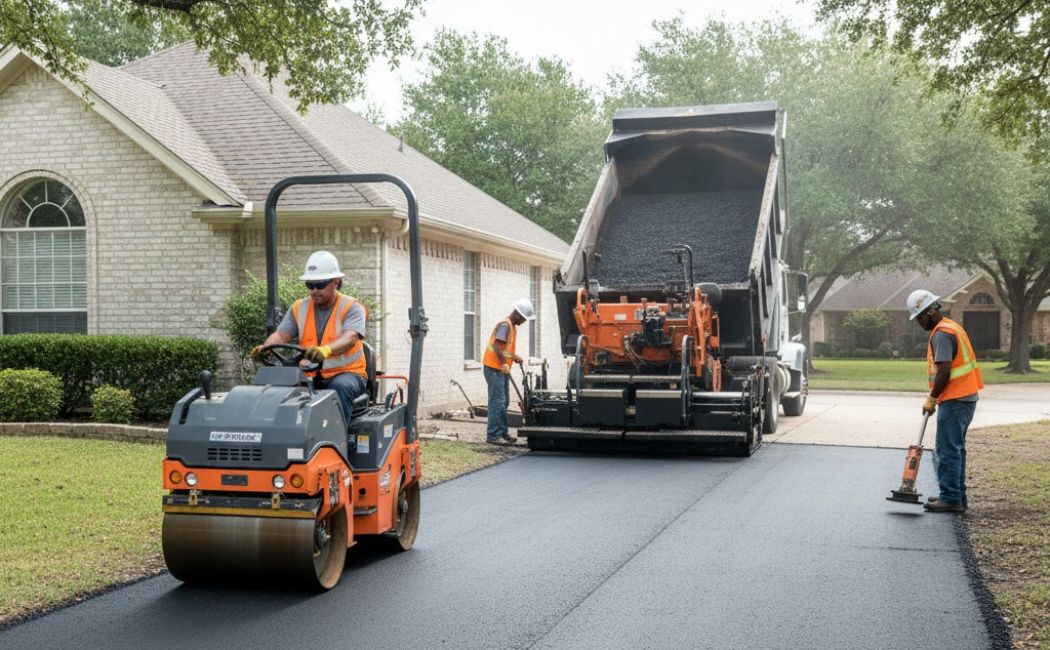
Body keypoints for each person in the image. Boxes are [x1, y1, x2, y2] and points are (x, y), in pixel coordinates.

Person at [252, 250, 368, 427]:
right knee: (273, 387)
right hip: (309, 374)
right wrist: (265, 348)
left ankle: (337, 442)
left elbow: (350, 337)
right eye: (310, 284)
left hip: (347, 374)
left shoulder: (352, 307)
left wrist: (326, 350)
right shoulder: (299, 307)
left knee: (339, 390)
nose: (314, 290)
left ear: (335, 282)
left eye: (320, 284)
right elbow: (282, 334)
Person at [907, 289, 984, 513]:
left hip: (956, 399)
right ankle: (956, 496)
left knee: (948, 449)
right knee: (956, 448)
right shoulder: (951, 326)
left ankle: (950, 498)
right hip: (965, 397)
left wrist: (932, 397)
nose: (919, 322)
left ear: (930, 311)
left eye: (920, 317)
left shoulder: (942, 334)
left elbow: (944, 372)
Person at [482, 298, 535, 445]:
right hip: (494, 368)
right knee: (497, 402)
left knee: (503, 402)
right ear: (518, 314)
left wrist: (513, 357)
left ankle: (503, 432)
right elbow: (497, 346)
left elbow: (504, 349)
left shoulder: (511, 326)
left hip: (501, 369)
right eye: (524, 318)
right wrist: (504, 363)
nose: (523, 322)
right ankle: (493, 435)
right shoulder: (505, 325)